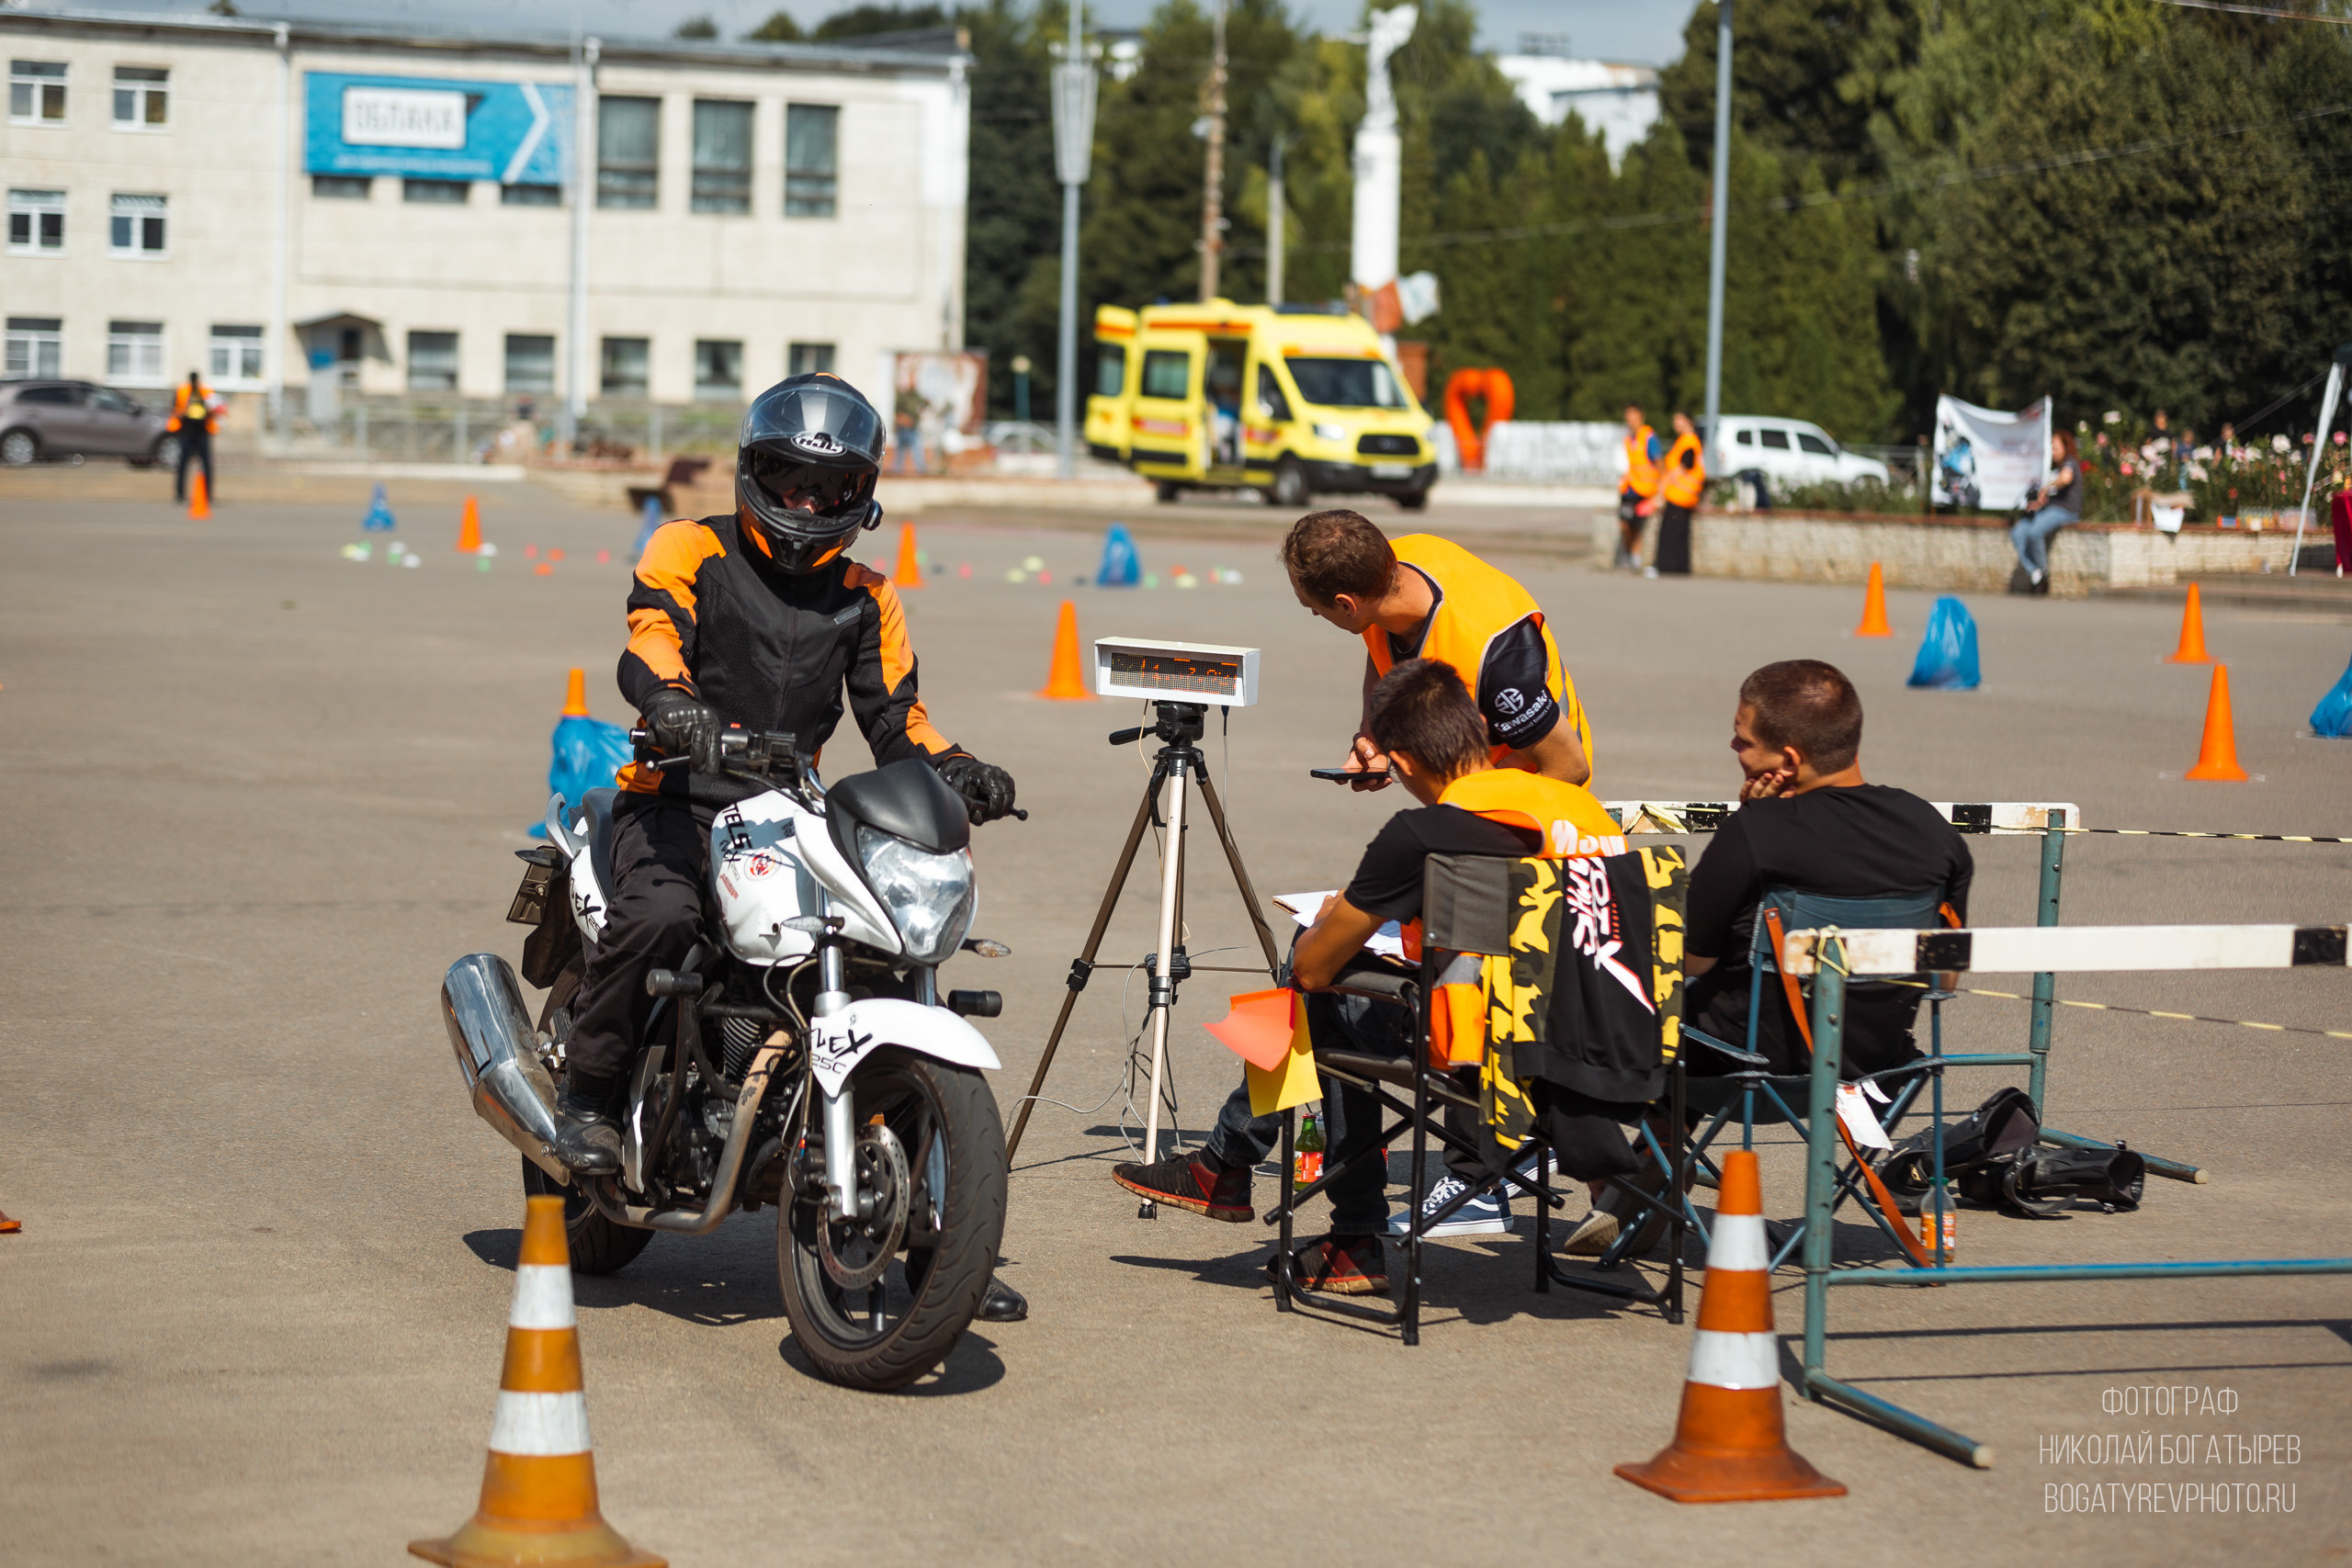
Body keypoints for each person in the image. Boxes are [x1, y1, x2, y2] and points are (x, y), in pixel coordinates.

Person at [548, 373, 1026, 1308]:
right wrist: (675, 707)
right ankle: (590, 1100)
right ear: (752, 471)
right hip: (674, 794)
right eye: (789, 479)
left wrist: (958, 767)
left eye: (830, 487)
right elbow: (651, 639)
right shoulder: (691, 546)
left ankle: (935, 1237)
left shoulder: (866, 595)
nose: (806, 504)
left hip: (783, 807)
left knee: (880, 951)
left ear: (861, 495)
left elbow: (895, 716)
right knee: (661, 920)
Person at [1111, 510, 1601, 1241]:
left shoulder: (1493, 653)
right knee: (1319, 981)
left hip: (1517, 864)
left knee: (1313, 980)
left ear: (1346, 601)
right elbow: (1386, 665)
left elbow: (1569, 767)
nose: (1315, 618)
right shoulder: (1401, 566)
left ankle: (1313, 1198)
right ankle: (1248, 1172)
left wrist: (1473, 821)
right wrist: (1377, 735)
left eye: (1315, 609)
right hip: (1494, 842)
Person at [1155, 658, 1633, 1296]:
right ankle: (1233, 1166)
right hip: (1616, 1037)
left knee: (1311, 986)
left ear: (1402, 762)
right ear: (1482, 733)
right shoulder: (1584, 810)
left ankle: (1314, 1212)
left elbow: (1314, 968)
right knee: (1329, 986)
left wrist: (1335, 917)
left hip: (1493, 1051)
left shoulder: (1426, 833)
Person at [2011, 429, 2083, 593]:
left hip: (2066, 510)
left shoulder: (2070, 462)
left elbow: (2065, 479)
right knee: (2017, 533)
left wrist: (2047, 487)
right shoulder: (2054, 467)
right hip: (2051, 508)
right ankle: (2035, 571)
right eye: (2052, 448)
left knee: (2034, 532)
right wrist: (2039, 502)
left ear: (2066, 447)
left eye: (2056, 448)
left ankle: (2043, 572)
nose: (2053, 452)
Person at [1650, 410, 1704, 576]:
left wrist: (1662, 489)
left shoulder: (1689, 441)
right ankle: (1680, 568)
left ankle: (1667, 567)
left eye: (1680, 419)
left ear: (1689, 421)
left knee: (1669, 534)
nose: (1676, 423)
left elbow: (1682, 467)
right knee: (1680, 534)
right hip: (1682, 496)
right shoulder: (1683, 441)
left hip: (1679, 495)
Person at [1616, 404, 1664, 570]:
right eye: (1628, 418)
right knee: (1625, 524)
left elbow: (1659, 463)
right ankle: (1627, 555)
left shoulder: (1649, 437)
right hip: (1629, 488)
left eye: (1634, 417)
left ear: (1641, 418)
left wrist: (1660, 489)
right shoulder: (1628, 440)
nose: (1631, 421)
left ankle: (1634, 557)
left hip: (1645, 490)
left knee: (1637, 526)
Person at [168, 369, 217, 502]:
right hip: (186, 431)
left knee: (206, 464)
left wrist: (210, 411)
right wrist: (182, 413)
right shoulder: (182, 391)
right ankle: (180, 494)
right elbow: (175, 409)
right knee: (182, 463)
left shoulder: (206, 392)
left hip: (202, 432)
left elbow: (214, 408)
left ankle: (207, 495)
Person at [891, 384, 926, 474]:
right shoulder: (901, 397)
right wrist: (902, 420)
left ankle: (921, 472)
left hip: (913, 430)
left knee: (918, 456)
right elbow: (897, 414)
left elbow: (923, 408)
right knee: (899, 458)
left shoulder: (917, 397)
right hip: (902, 429)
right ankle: (897, 472)